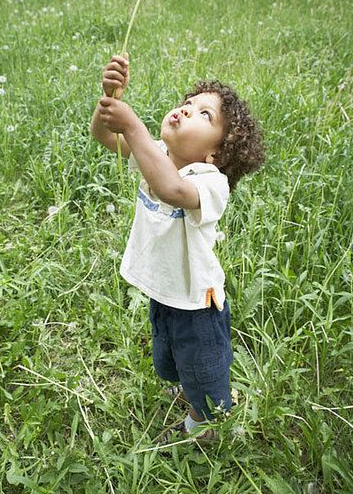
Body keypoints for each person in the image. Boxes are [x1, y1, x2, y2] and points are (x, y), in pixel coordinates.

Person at [90, 54, 265, 444]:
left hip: (198, 304)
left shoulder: (209, 181)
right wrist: (109, 99)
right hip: (166, 292)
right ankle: (188, 390)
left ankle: (209, 428)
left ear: (216, 154)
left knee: (204, 368)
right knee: (169, 357)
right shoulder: (159, 157)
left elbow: (171, 189)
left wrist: (132, 124)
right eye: (189, 103)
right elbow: (106, 138)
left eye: (205, 115)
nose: (187, 109)